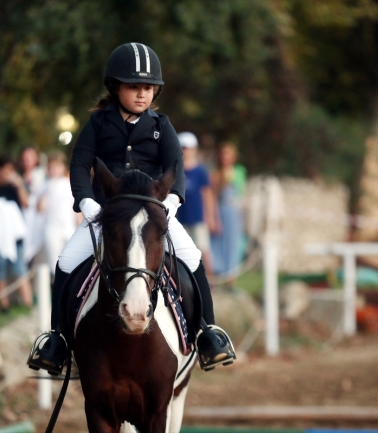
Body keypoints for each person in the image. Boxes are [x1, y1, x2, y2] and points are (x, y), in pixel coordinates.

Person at [28, 42, 236, 374]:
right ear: (115, 87)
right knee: (66, 262)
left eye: (148, 88)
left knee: (193, 258)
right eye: (134, 87)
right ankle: (59, 340)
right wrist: (86, 202)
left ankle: (207, 333)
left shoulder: (161, 125)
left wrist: (171, 202)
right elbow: (80, 165)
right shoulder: (97, 124)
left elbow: (176, 166)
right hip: (106, 214)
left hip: (153, 214)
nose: (142, 94)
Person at [0, 155, 33, 311]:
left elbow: (26, 203)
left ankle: (27, 302)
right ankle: (4, 304)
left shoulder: (15, 187)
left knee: (19, 267)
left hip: (15, 233)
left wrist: (20, 186)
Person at [175, 132, 218, 275]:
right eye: (184, 148)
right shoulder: (175, 171)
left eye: (189, 148)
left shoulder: (200, 171)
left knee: (203, 249)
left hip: (198, 217)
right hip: (180, 218)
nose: (186, 151)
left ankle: (210, 279)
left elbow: (207, 195)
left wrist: (211, 217)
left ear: (195, 150)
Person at [37, 153, 80, 277]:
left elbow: (76, 209)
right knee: (54, 264)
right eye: (51, 167)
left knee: (74, 260)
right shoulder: (45, 185)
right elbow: (39, 208)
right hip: (51, 229)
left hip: (68, 227)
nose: (54, 170)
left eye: (57, 166)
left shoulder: (69, 184)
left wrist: (79, 227)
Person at [210, 142, 247, 289]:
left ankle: (231, 279)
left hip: (234, 212)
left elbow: (241, 193)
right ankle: (218, 277)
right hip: (221, 211)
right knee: (218, 245)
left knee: (234, 245)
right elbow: (212, 197)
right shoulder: (215, 174)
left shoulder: (239, 172)